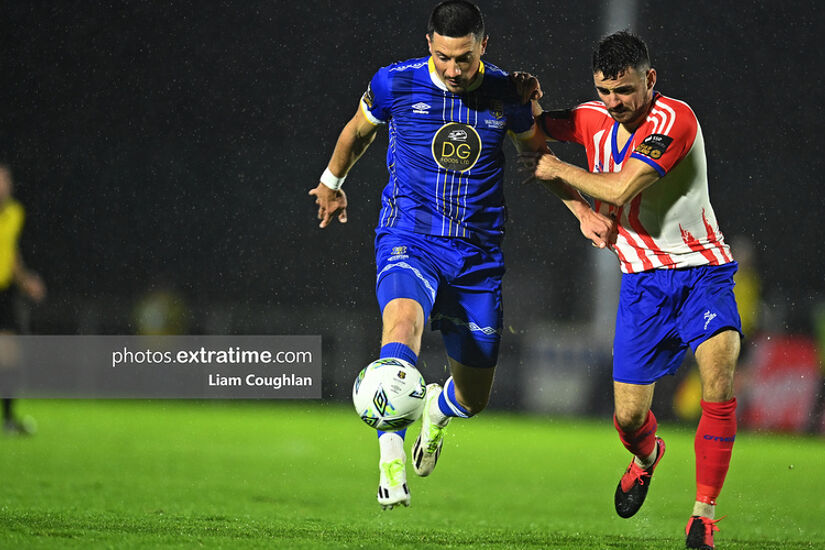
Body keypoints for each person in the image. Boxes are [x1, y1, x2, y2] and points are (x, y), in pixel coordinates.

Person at [309, 1, 613, 510]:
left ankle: (437, 409)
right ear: (429, 43)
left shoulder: (507, 94)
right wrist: (331, 182)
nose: (454, 70)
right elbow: (356, 131)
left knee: (473, 397)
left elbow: (540, 158)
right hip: (410, 235)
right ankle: (390, 454)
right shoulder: (394, 83)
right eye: (446, 57)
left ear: (483, 48)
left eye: (465, 59)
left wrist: (581, 212)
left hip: (476, 257)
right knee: (401, 325)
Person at [521, 31, 741, 549]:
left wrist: (558, 169)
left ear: (651, 80)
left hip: (703, 272)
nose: (614, 102)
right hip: (642, 284)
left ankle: (703, 517)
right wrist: (517, 99)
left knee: (718, 381)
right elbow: (528, 130)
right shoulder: (591, 119)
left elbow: (620, 186)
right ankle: (647, 459)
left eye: (625, 90)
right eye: (605, 91)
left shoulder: (674, 120)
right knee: (629, 416)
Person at [0, 163, 46, 434]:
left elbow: (10, 250)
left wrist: (25, 279)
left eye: (6, 180)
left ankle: (7, 419)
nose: (3, 185)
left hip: (5, 292)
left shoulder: (16, 213)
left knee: (9, 358)